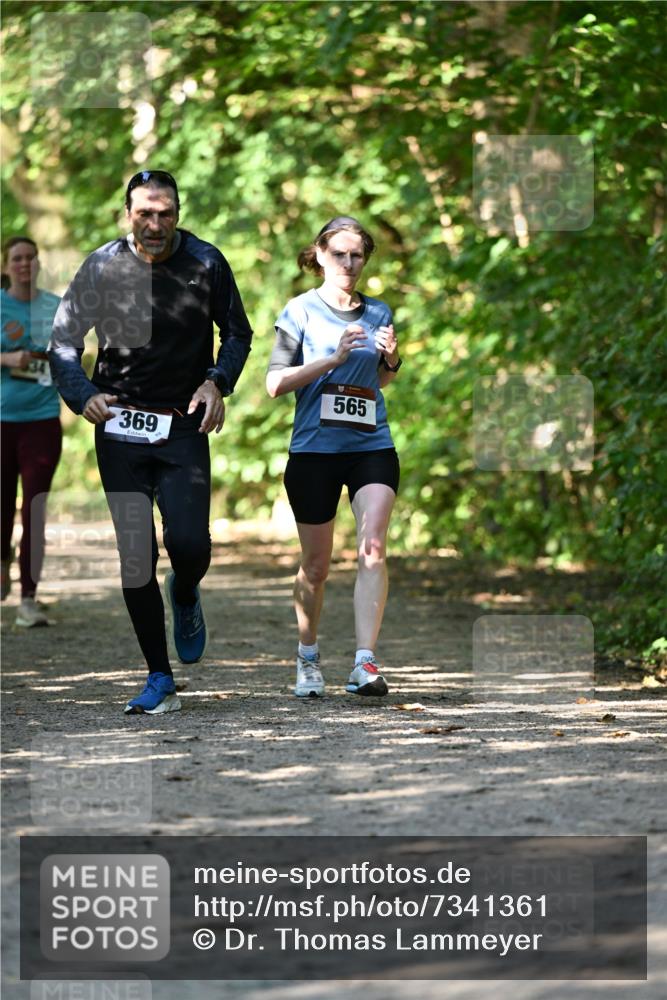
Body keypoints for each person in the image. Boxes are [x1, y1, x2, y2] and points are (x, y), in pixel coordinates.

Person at [49, 169, 253, 714]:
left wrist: (218, 381)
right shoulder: (103, 266)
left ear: (178, 213)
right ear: (128, 214)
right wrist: (82, 393)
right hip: (120, 426)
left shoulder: (206, 262)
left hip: (183, 422)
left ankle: (184, 591)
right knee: (135, 557)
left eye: (165, 212)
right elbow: (64, 341)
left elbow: (238, 331)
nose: (155, 223)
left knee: (190, 546)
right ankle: (159, 677)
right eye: (145, 213)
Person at [267, 216, 401, 698]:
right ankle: (307, 655)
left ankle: (365, 662)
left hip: (371, 447)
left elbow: (378, 382)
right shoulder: (299, 311)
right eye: (340, 254)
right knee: (317, 566)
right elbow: (274, 384)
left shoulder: (380, 311)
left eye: (357, 255)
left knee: (373, 548)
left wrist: (391, 361)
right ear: (320, 255)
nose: (349, 263)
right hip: (314, 451)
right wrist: (331, 359)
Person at [1, 237, 62, 627]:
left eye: (30, 258)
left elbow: (69, 355)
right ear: (7, 266)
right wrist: (8, 357)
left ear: (39, 263)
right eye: (17, 259)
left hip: (42, 419)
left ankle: (29, 599)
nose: (25, 264)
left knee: (34, 511)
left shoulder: (54, 306)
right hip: (3, 420)